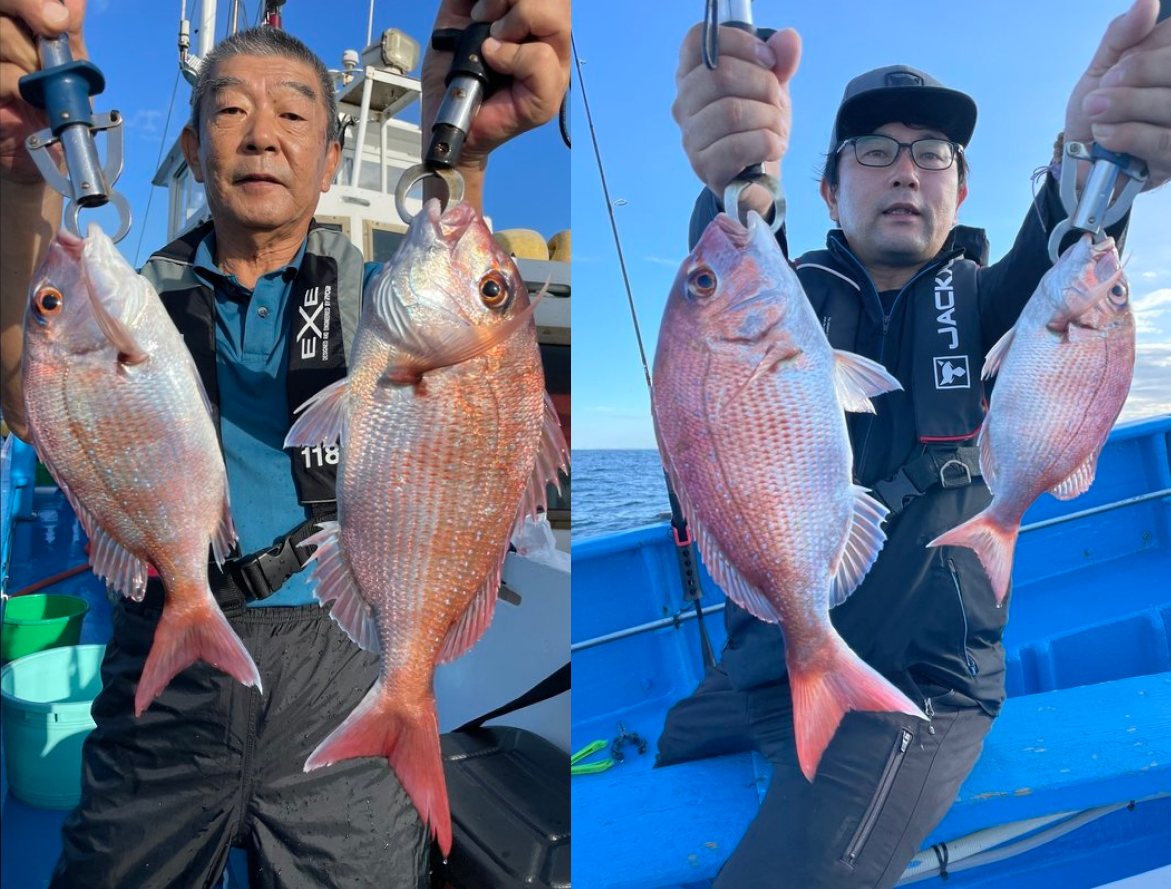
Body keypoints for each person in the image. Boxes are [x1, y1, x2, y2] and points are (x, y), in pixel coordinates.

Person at [0, 0, 569, 886]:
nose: (262, 134)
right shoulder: (129, 299)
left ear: (332, 159)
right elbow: (29, 384)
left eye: (296, 114)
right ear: (192, 148)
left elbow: (460, 329)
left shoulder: (378, 294)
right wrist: (16, 172)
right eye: (229, 110)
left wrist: (466, 157)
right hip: (165, 664)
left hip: (340, 660)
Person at [656, 4, 1171, 888]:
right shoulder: (782, 298)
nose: (905, 172)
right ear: (825, 190)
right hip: (762, 654)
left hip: (921, 681)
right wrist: (734, 176)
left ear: (959, 190)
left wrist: (1095, 164)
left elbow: (1071, 271)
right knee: (663, 758)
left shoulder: (996, 302)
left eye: (931, 154)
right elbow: (729, 275)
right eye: (873, 151)